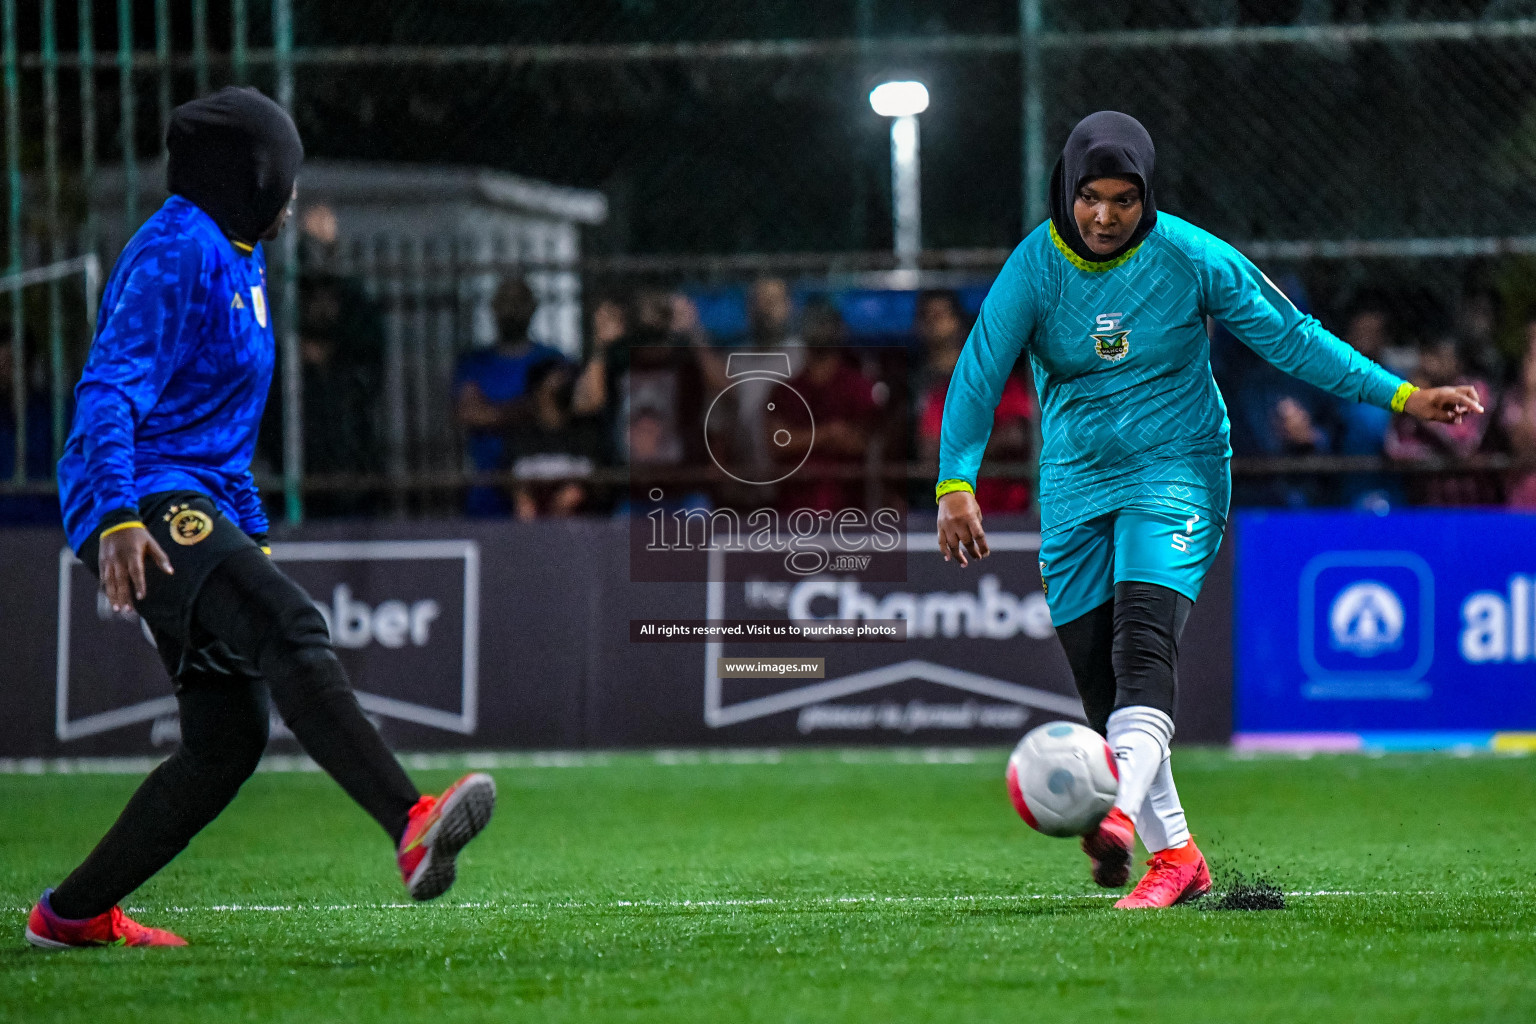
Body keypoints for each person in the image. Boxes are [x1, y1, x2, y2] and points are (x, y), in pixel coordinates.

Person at [935, 111, 1482, 909]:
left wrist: (1402, 394)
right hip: (1077, 485)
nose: (1105, 216)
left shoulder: (1190, 256)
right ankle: (1179, 857)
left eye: (1125, 200)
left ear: (1147, 196)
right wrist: (957, 483)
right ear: (1067, 190)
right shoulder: (1034, 267)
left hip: (1178, 471)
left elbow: (1292, 339)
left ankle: (1120, 817)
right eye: (1091, 197)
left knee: (1143, 645)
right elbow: (981, 371)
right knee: (1101, 687)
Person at [26, 87, 495, 951]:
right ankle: (411, 822)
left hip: (193, 496)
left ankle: (72, 913)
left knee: (227, 739)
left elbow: (229, 436)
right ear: (251, 173)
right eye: (286, 171)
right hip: (142, 497)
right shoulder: (176, 249)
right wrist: (120, 514)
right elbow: (106, 389)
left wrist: (254, 544)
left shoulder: (240, 254)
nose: (294, 190)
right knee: (289, 625)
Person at [454, 277, 564, 517]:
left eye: (519, 302)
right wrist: (529, 408)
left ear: (533, 307)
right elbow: (469, 413)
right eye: (505, 302)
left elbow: (558, 414)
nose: (511, 310)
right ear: (492, 307)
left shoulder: (552, 359)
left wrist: (495, 413)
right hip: (487, 490)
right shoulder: (475, 363)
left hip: (541, 494)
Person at [1384, 333, 1496, 506]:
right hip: (1425, 501)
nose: (1430, 364)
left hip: (1473, 500)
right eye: (1427, 355)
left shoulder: (1475, 390)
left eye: (1439, 356)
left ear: (1458, 363)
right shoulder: (1413, 391)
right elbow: (1394, 449)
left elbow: (1464, 446)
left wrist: (1425, 413)